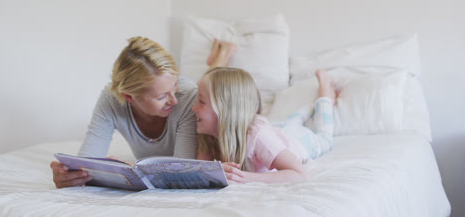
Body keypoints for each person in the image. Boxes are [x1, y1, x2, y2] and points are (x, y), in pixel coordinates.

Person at [50, 37, 235, 188]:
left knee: (210, 89)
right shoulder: (111, 99)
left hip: (193, 91)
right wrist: (71, 174)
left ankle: (222, 55)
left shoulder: (186, 98)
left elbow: (181, 167)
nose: (174, 100)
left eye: (175, 85)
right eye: (162, 96)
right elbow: (87, 161)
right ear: (129, 97)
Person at [192, 64, 337, 184]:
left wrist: (244, 178)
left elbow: (299, 174)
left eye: (201, 102)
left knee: (323, 138)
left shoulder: (258, 137)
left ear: (225, 112)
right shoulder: (206, 135)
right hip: (277, 130)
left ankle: (325, 97)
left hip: (297, 141)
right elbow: (204, 171)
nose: (193, 108)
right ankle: (309, 108)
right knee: (290, 122)